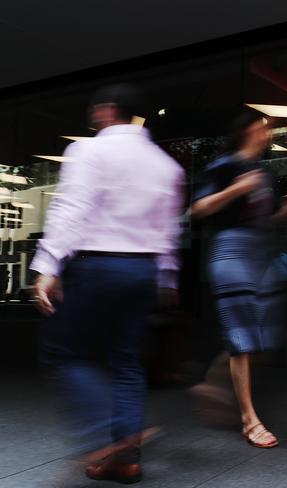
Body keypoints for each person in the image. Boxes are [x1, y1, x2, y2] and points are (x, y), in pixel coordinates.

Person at [31, 84, 184, 484]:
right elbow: (168, 231)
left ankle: (105, 435)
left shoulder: (88, 151)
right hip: (142, 271)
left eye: (96, 110)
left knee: (65, 353)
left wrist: (48, 265)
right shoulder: (167, 166)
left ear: (109, 110)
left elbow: (73, 207)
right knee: (128, 362)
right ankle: (126, 459)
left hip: (95, 265)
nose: (93, 117)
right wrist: (167, 278)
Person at [192, 112, 287, 448]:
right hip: (231, 254)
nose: (267, 133)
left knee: (264, 335)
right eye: (262, 127)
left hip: (261, 255)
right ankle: (250, 420)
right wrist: (236, 189)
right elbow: (200, 208)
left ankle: (214, 381)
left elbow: (267, 219)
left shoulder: (264, 172)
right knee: (243, 337)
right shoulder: (224, 167)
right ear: (245, 130)